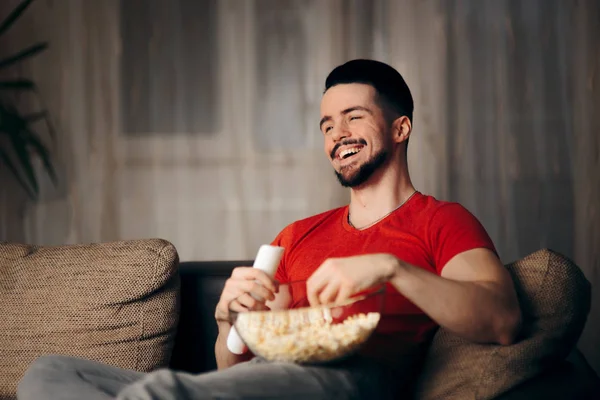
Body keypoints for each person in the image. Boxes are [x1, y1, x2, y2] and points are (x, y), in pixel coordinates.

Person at [17, 59, 522, 400]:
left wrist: (391, 269)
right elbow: (232, 368)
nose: (337, 134)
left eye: (353, 117)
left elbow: (501, 319)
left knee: (159, 393)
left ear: (399, 127)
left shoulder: (440, 220)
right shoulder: (296, 234)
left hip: (352, 380)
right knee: (50, 374)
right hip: (267, 379)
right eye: (326, 124)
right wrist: (227, 322)